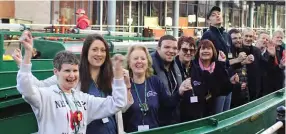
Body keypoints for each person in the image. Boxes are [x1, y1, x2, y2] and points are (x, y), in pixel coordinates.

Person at [13, 33, 132, 134]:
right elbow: (28, 88)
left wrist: (118, 75)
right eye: (67, 71)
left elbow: (118, 103)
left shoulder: (83, 99)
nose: (72, 75)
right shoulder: (46, 95)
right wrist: (26, 59)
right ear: (56, 72)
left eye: (75, 71)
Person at [123, 45, 191, 132]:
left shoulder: (155, 81)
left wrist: (179, 92)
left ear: (147, 62)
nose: (139, 61)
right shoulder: (123, 83)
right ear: (129, 62)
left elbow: (167, 104)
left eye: (143, 59)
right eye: (135, 58)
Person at [180, 39, 239, 121]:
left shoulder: (218, 66)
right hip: (194, 111)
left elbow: (223, 89)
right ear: (198, 51)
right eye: (203, 48)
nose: (205, 51)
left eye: (208, 49)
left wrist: (231, 82)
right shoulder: (193, 65)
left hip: (211, 107)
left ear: (213, 51)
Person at [150, 35, 183, 126]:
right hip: (157, 122)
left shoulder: (175, 65)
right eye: (167, 47)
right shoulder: (149, 66)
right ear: (158, 48)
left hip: (174, 120)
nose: (171, 51)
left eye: (174, 48)